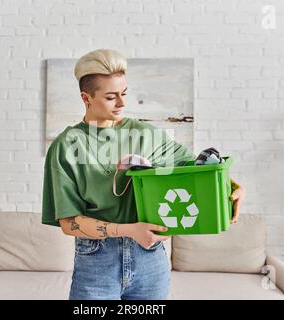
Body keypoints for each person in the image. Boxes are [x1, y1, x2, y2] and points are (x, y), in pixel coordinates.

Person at [41, 48, 245, 300]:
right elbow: (69, 223)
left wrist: (231, 186)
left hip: (150, 260)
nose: (122, 103)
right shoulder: (67, 145)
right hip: (96, 261)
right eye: (111, 97)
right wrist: (129, 230)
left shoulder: (146, 134)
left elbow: (198, 169)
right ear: (86, 98)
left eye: (124, 93)